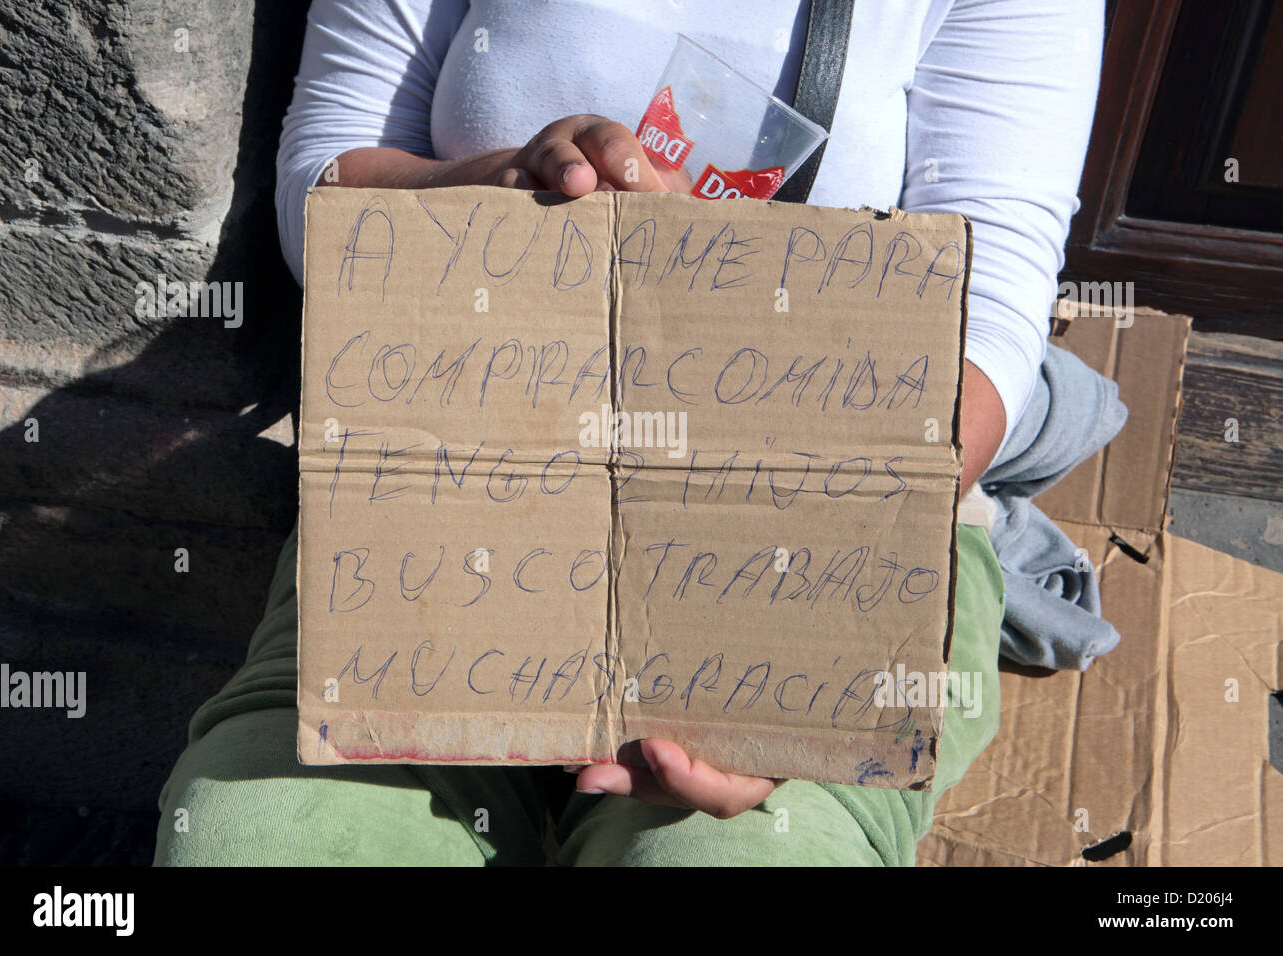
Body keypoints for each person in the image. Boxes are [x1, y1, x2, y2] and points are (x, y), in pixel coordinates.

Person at [154, 0, 1102, 866]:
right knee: (257, 840)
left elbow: (987, 309)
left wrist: (805, 651)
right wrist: (496, 190)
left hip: (814, 531)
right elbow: (323, 174)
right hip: (445, 498)